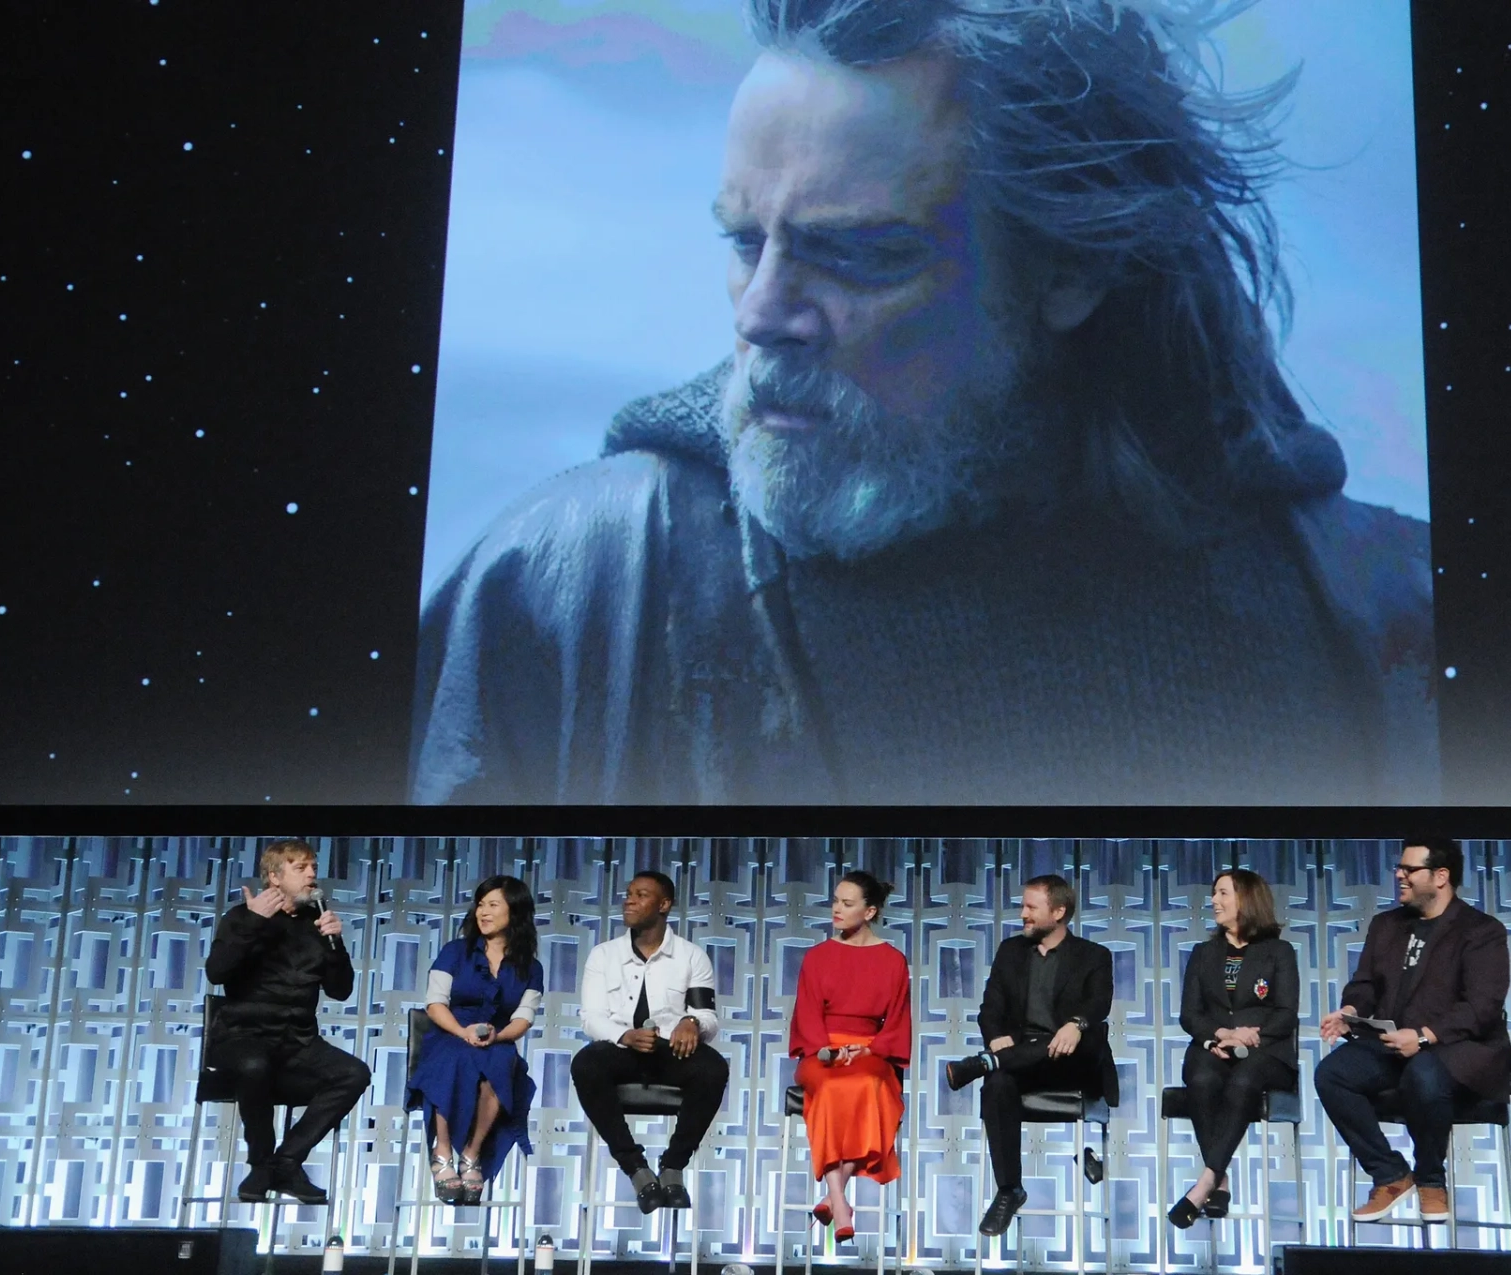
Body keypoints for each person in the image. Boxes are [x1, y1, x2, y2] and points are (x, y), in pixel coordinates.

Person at [409, 0, 1437, 809]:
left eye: (858, 253)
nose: (764, 314)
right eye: (742, 242)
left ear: (1070, 269)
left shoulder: (1379, 611)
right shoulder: (567, 588)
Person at [1314, 838, 1511, 1224]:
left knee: (1424, 1073)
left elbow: (1483, 1007)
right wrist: (1350, 1011)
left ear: (1440, 876)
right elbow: (1365, 985)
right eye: (1400, 868)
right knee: (1332, 1074)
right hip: (1394, 1043)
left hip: (1458, 1051)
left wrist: (1425, 1036)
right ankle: (1391, 1174)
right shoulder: (1386, 925)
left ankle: (1430, 1178)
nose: (1399, 875)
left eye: (1410, 870)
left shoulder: (1481, 931)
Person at [943, 874, 1119, 1237]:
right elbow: (989, 1008)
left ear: (1058, 911)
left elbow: (1098, 1003)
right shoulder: (1011, 952)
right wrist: (995, 1040)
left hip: (1072, 1063)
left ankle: (988, 1064)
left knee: (1082, 1037)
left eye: (1030, 907)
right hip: (1020, 1060)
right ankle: (1009, 1189)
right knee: (997, 1085)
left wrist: (1076, 1023)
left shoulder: (1093, 955)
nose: (1022, 913)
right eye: (1023, 906)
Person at [203, 839, 371, 1204]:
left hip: (298, 1041)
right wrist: (252, 923)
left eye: (313, 867)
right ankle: (261, 1163)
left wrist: (336, 945)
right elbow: (216, 973)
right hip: (242, 1037)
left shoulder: (317, 922)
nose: (312, 874)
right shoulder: (243, 916)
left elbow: (340, 991)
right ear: (274, 877)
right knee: (254, 1064)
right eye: (301, 868)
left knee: (354, 1073)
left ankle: (287, 1162)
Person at [571, 871, 729, 1213]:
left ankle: (673, 1166)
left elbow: (708, 1017)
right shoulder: (603, 955)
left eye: (640, 895)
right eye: (628, 893)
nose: (629, 900)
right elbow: (591, 1017)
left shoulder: (691, 956)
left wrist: (691, 1022)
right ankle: (636, 1169)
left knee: (713, 1068)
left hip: (669, 1052)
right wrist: (623, 1035)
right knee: (586, 1063)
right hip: (620, 1049)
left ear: (664, 905)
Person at [1167, 869, 1299, 1228]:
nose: (1214, 901)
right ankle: (1219, 1179)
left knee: (1244, 1081)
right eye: (1214, 894)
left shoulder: (1279, 952)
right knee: (1203, 1079)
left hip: (1266, 1051)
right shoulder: (1203, 952)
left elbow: (1286, 1014)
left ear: (1247, 900)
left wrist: (1249, 1035)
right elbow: (1189, 1014)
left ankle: (1206, 1181)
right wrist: (1218, 1035)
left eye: (1223, 893)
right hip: (1213, 1045)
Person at [788, 871, 912, 1242]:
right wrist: (826, 1050)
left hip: (870, 1050)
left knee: (870, 1084)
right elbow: (807, 1014)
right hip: (823, 1051)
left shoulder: (892, 960)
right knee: (829, 1088)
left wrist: (872, 1048)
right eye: (835, 901)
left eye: (847, 903)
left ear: (870, 911)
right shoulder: (818, 957)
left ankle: (833, 1194)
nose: (836, 910)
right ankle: (841, 1201)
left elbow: (898, 1019)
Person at [406, 876, 543, 1205]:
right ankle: (442, 1152)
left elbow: (523, 1019)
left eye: (493, 905)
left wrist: (498, 1034)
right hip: (450, 1032)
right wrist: (462, 1031)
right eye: (480, 904)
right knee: (455, 1057)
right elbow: (435, 1003)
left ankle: (471, 1152)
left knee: (501, 1060)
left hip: (496, 1037)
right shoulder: (455, 952)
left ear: (515, 911)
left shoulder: (531, 967)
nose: (483, 911)